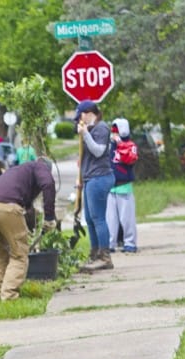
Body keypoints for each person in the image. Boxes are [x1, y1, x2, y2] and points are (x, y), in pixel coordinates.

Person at [0, 158, 57, 301]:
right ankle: (9, 295)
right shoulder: (40, 166)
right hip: (5, 207)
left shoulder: (17, 171)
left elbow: (24, 203)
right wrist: (49, 217)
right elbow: (48, 184)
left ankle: (0, 292)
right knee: (19, 253)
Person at [74, 100, 116, 272]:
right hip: (89, 178)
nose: (79, 120)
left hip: (100, 178)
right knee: (90, 219)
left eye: (81, 116)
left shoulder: (101, 128)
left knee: (98, 218)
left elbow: (98, 151)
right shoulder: (91, 129)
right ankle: (95, 254)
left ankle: (105, 257)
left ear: (89, 113)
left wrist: (85, 134)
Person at [106, 118, 138, 254]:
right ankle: (110, 243)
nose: (114, 134)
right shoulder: (109, 146)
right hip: (110, 188)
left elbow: (129, 159)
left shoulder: (130, 145)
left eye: (116, 131)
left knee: (127, 218)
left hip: (124, 187)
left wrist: (120, 143)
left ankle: (130, 242)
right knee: (110, 219)